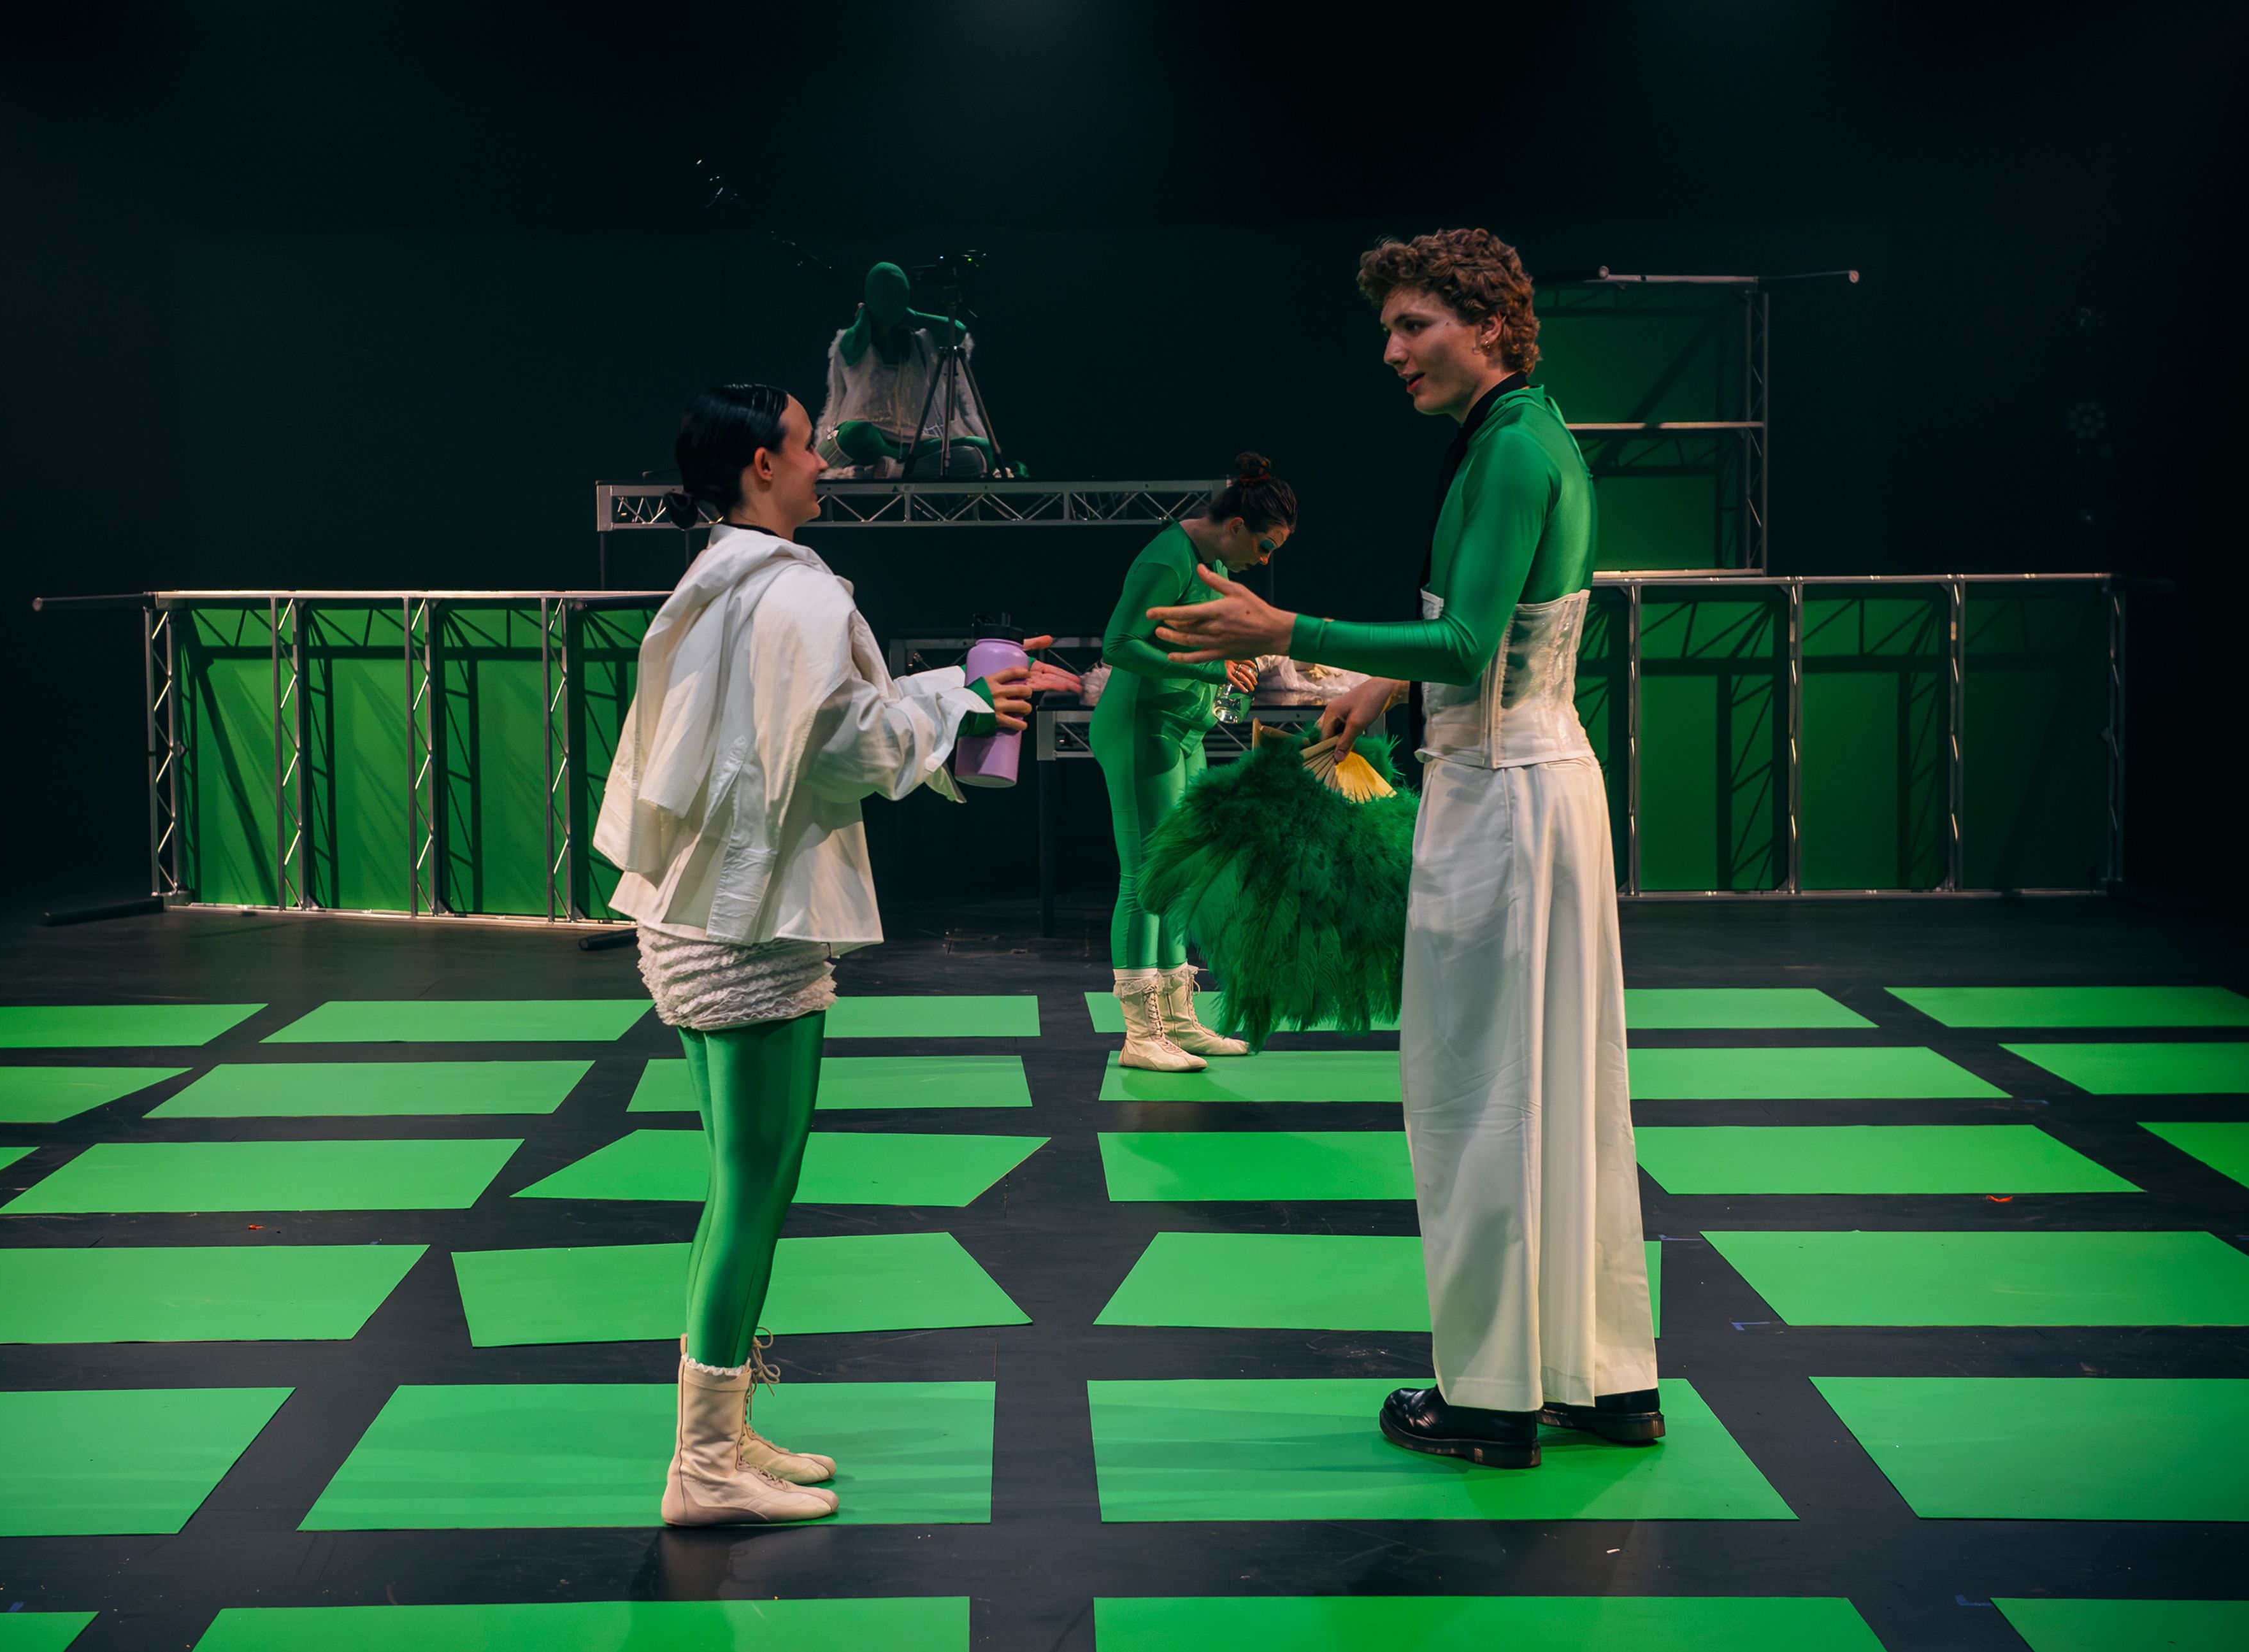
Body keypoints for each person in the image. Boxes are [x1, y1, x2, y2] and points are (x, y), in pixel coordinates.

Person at [1148, 230, 1659, 1470]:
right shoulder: (1529, 433)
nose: (1391, 351)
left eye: (1414, 323)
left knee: (1480, 1095)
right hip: (1537, 782)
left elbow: (1474, 638)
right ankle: (1600, 1380)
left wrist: (1292, 625)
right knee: (1565, 1096)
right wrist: (1378, 688)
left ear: (1488, 322)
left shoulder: (1508, 451)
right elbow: (1511, 635)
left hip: (1505, 801)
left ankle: (1486, 1396)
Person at [594, 382, 1077, 1524]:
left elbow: (803, 727)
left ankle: (723, 1430)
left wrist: (956, 691)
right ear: (763, 462)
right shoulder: (793, 593)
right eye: (811, 448)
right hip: (749, 921)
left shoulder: (714, 582)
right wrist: (965, 696)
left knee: (735, 1188)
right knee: (755, 1190)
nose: (828, 466)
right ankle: (702, 1462)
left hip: (693, 909)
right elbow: (842, 742)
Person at [1093, 456, 1296, 1070]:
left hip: (1182, 728)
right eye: (1263, 545)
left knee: (1182, 875)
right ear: (1235, 524)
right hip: (1141, 730)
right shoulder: (1168, 558)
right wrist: (1210, 669)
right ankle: (1139, 1033)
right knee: (1147, 877)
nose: (1264, 560)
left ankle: (1177, 1020)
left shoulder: (1209, 564)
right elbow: (1119, 645)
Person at [815, 261, 995, 477]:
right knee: (857, 433)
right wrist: (866, 313)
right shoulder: (853, 341)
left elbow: (958, 331)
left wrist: (914, 316)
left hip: (912, 441)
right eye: (886, 295)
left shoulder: (920, 342)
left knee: (983, 447)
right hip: (866, 437)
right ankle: (893, 464)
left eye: (898, 296)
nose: (893, 301)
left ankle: (894, 468)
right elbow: (857, 339)